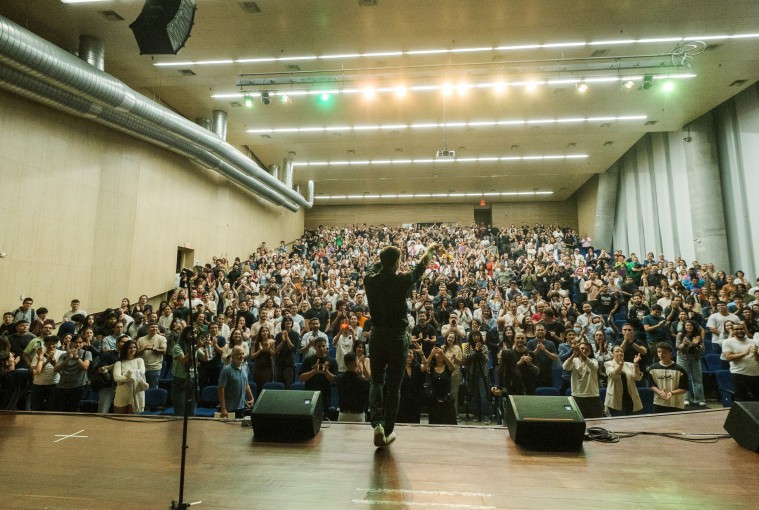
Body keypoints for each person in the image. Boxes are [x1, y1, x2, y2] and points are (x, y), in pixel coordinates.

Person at [364, 242, 440, 447]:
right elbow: (420, 267)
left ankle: (377, 424)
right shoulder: (402, 280)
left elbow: (374, 267)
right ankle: (388, 430)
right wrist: (430, 250)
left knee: (376, 381)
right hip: (397, 336)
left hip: (377, 334)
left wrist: (382, 261)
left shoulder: (369, 280)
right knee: (394, 386)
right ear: (397, 262)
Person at [563, 340, 603, 418]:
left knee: (597, 420)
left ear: (590, 352)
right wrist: (573, 355)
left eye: (586, 350)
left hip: (592, 396)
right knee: (580, 420)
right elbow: (565, 367)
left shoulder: (594, 361)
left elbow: (593, 366)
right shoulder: (574, 360)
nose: (584, 351)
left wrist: (579, 351)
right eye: (582, 349)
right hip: (577, 395)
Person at [52, 334, 92, 412]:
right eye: (76, 342)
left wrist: (76, 357)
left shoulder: (86, 353)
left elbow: (85, 367)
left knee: (74, 411)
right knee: (60, 410)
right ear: (72, 343)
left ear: (83, 343)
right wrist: (68, 359)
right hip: (63, 386)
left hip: (78, 386)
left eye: (80, 342)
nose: (78, 344)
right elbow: (56, 369)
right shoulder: (64, 355)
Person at [299, 337, 337, 415]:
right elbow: (301, 378)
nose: (321, 348)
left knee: (324, 417)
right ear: (315, 347)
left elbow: (334, 380)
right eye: (319, 346)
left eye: (323, 346)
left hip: (325, 395)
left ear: (326, 346)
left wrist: (326, 372)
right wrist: (314, 371)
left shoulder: (332, 361)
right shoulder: (308, 360)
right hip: (310, 393)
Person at [721, 323, 759, 401]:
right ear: (732, 330)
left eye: (741, 329)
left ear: (744, 330)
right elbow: (728, 357)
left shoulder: (754, 342)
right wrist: (744, 353)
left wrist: (756, 353)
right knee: (741, 399)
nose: (739, 331)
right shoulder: (727, 342)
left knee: (757, 398)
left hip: (755, 374)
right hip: (739, 374)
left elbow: (758, 359)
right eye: (736, 329)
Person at [648, 342, 689, 413]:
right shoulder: (652, 369)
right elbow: (650, 385)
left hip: (676, 404)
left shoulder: (680, 370)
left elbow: (684, 389)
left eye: (664, 352)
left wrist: (671, 393)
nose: (661, 354)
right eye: (659, 352)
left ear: (670, 353)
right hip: (659, 403)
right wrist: (660, 392)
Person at [604, 346, 643, 416]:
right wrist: (620, 364)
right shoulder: (608, 363)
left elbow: (638, 377)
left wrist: (636, 364)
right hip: (615, 399)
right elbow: (614, 375)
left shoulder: (630, 364)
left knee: (633, 421)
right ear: (612, 354)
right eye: (617, 351)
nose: (620, 353)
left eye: (621, 351)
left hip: (631, 398)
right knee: (618, 421)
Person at [463, 330, 491, 424]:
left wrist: (479, 351)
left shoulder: (484, 346)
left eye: (477, 335)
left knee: (483, 395)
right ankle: (476, 414)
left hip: (482, 373)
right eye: (474, 335)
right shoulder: (468, 346)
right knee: (474, 395)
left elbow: (485, 359)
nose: (476, 337)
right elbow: (466, 357)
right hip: (471, 373)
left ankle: (486, 415)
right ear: (471, 337)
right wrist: (475, 350)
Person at [218, 346, 254, 419]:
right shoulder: (227, 370)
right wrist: (223, 408)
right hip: (229, 409)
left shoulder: (244, 368)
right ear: (233, 356)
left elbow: (246, 384)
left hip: (242, 407)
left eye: (243, 354)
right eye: (239, 354)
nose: (242, 356)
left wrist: (251, 398)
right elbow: (221, 389)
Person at [675, 320, 705, 407]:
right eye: (687, 325)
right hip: (683, 358)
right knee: (684, 378)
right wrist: (685, 344)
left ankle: (699, 399)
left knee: (697, 379)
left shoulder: (698, 335)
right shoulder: (680, 335)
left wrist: (694, 344)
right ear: (684, 326)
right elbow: (678, 347)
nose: (689, 327)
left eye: (691, 325)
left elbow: (702, 348)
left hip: (695, 358)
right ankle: (685, 399)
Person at [112, 339, 147, 414]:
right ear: (125, 349)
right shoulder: (119, 363)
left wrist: (124, 377)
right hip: (122, 392)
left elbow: (141, 373)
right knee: (118, 417)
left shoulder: (140, 360)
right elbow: (116, 378)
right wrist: (132, 376)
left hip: (135, 391)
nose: (133, 349)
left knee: (131, 418)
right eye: (130, 348)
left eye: (134, 347)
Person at [30, 335, 63, 411]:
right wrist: (47, 361)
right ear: (44, 344)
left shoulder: (62, 353)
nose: (51, 346)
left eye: (53, 344)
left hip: (54, 384)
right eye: (48, 344)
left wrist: (53, 362)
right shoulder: (39, 354)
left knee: (52, 408)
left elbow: (62, 371)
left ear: (57, 344)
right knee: (36, 408)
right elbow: (34, 371)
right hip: (38, 385)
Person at [426, 345, 457, 425]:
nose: (439, 355)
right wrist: (431, 354)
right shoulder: (431, 368)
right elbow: (425, 366)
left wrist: (443, 355)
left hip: (447, 400)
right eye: (437, 353)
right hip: (434, 400)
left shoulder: (447, 367)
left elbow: (453, 368)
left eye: (441, 353)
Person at [335, 351, 370, 422]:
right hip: (358, 415)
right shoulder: (363, 381)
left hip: (343, 414)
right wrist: (361, 375)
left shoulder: (339, 378)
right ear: (357, 364)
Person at [171, 327, 198, 417]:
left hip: (193, 379)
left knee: (192, 410)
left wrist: (210, 346)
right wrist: (197, 347)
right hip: (180, 380)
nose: (193, 335)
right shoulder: (177, 347)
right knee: (180, 410)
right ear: (185, 334)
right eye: (191, 333)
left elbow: (205, 358)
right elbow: (183, 360)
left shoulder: (194, 347)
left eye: (195, 333)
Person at [137, 322, 167, 389]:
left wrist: (153, 349)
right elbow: (136, 353)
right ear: (147, 329)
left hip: (154, 367)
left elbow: (164, 351)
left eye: (156, 327)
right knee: (141, 388)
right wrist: (144, 349)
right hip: (142, 367)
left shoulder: (162, 338)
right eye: (152, 327)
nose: (155, 329)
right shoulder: (140, 339)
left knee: (153, 388)